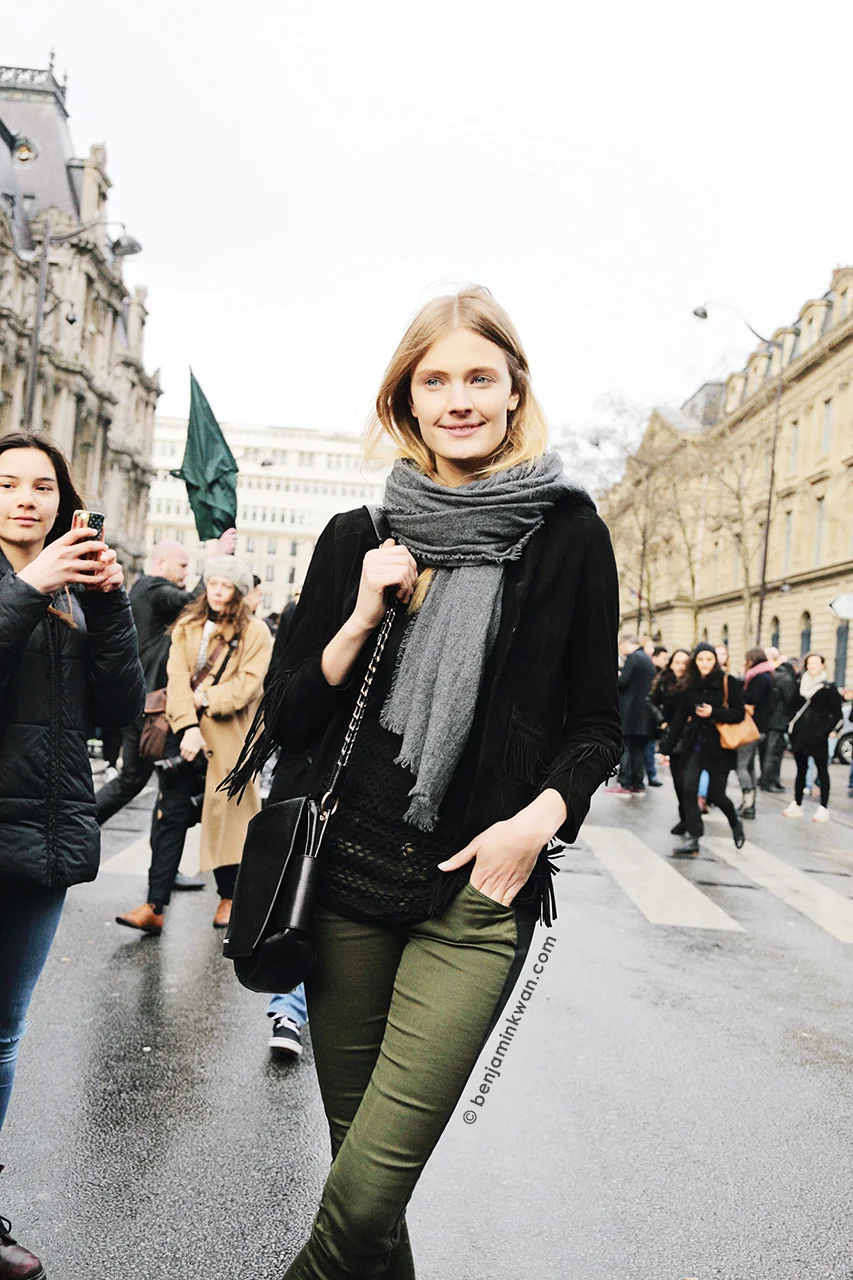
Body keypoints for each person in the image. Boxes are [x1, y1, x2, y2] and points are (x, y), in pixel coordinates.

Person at [227, 285, 622, 1278]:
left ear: (512, 389)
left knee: (363, 1194)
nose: (457, 398)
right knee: (366, 1190)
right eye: (433, 379)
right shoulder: (356, 534)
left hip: (478, 890)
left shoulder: (568, 532)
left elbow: (593, 725)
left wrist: (534, 822)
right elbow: (291, 711)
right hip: (348, 880)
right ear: (403, 401)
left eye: (478, 377)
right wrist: (360, 613)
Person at [0, 433, 144, 1278]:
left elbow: (123, 709)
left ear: (64, 499)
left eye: (41, 485)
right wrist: (25, 587)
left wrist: (114, 605)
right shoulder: (29, 586)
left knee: (3, 1036)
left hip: (40, 842)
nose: (25, 498)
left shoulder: (76, 595)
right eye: (7, 483)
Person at [116, 556, 272, 933]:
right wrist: (188, 726)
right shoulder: (188, 625)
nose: (217, 591)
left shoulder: (256, 633)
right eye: (212, 583)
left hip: (230, 739)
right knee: (169, 816)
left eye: (226, 586)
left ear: (238, 591)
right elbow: (176, 677)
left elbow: (248, 686)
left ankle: (229, 899)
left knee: (227, 819)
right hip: (183, 738)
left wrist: (204, 700)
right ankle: (155, 905)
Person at [96, 529, 236, 827]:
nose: (187, 572)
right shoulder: (153, 588)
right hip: (149, 704)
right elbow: (193, 601)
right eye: (183, 565)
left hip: (148, 701)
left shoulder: (147, 591)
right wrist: (217, 559)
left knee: (146, 781)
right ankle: (78, 825)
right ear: (161, 563)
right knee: (136, 779)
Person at [661, 643, 746, 857]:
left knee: (717, 795)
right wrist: (666, 747)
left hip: (720, 749)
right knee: (689, 790)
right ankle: (694, 837)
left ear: (715, 661)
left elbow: (739, 713)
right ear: (695, 662)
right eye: (700, 659)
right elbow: (680, 718)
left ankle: (735, 823)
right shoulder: (689, 685)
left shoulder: (728, 682)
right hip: (695, 745)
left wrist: (714, 712)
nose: (705, 664)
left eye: (709, 659)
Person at [782, 653, 843, 823]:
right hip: (801, 735)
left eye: (816, 663)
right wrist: (790, 726)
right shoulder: (800, 684)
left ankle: (823, 807)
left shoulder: (828, 688)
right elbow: (791, 706)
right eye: (809, 663)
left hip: (818, 737)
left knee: (822, 770)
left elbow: (836, 714)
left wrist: (825, 730)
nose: (812, 666)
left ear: (823, 666)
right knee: (801, 770)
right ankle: (797, 803)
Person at [607, 634, 656, 794]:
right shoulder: (647, 660)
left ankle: (624, 782)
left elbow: (623, 682)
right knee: (638, 749)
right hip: (644, 712)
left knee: (626, 747)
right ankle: (638, 782)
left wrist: (617, 675)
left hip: (630, 711)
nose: (622, 651)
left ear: (627, 644)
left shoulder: (633, 659)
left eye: (621, 647)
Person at [650, 648, 691, 833]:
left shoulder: (692, 683)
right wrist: (662, 722)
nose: (680, 666)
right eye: (677, 662)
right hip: (672, 736)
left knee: (687, 782)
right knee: (678, 782)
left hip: (690, 735)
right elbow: (650, 701)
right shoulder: (663, 682)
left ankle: (690, 820)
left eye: (684, 663)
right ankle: (685, 818)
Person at [735, 647, 775, 819]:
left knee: (741, 766)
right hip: (760, 727)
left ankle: (749, 803)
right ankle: (749, 804)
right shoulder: (766, 675)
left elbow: (750, 698)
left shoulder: (759, 677)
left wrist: (741, 675)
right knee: (749, 766)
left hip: (752, 727)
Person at [758, 648, 798, 792]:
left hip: (770, 718)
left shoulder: (773, 675)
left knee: (770, 752)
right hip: (779, 720)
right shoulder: (786, 678)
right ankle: (768, 781)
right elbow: (791, 700)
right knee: (773, 752)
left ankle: (769, 780)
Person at [643, 644, 670, 786]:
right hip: (649, 718)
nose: (666, 661)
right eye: (664, 658)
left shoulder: (661, 673)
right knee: (648, 746)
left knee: (649, 746)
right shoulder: (653, 673)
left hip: (652, 718)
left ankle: (649, 775)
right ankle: (650, 775)